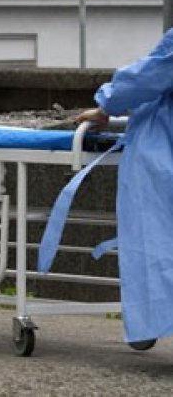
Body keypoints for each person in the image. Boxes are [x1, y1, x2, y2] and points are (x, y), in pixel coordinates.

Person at [74, 28, 173, 346]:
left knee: (156, 238)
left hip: (162, 151)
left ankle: (153, 320)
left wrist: (107, 106)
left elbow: (149, 75)